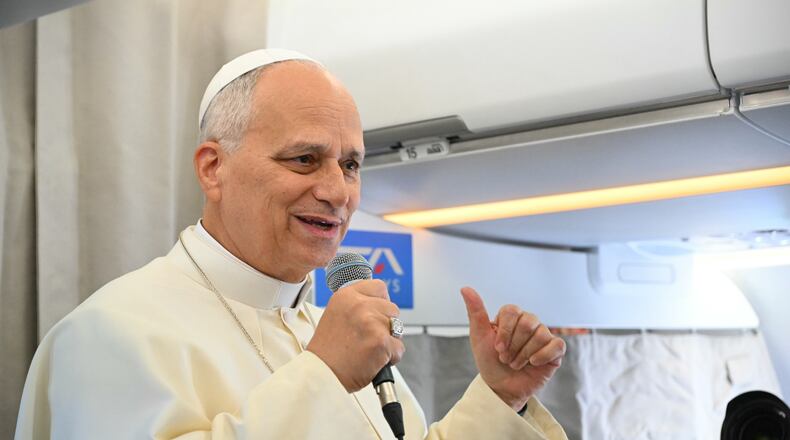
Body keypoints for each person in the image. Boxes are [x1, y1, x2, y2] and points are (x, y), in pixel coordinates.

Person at [15, 49, 568, 439]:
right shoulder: (110, 334)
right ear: (214, 168)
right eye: (304, 159)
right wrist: (324, 377)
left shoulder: (327, 330)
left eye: (350, 165)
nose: (336, 192)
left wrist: (499, 397)